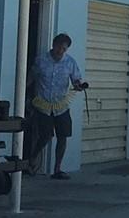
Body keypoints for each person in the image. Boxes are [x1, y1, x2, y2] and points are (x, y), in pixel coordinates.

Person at [28, 33, 88, 180]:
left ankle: (57, 169)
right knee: (45, 136)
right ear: (53, 45)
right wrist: (24, 96)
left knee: (63, 136)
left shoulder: (70, 62)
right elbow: (31, 77)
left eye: (64, 48)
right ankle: (31, 160)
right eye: (58, 47)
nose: (60, 51)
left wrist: (79, 86)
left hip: (61, 105)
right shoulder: (41, 60)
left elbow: (76, 80)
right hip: (43, 105)